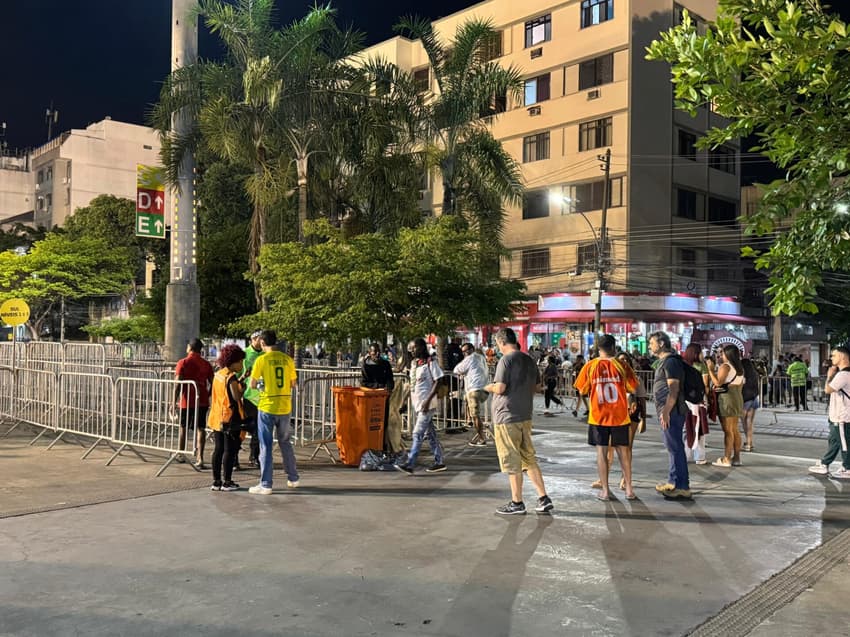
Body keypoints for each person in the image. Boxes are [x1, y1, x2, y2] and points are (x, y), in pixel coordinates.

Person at [484, 327, 554, 515]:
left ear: (500, 342)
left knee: (512, 460)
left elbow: (500, 388)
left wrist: (488, 386)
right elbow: (538, 387)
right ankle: (543, 497)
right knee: (528, 458)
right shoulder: (529, 360)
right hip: (525, 415)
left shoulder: (505, 361)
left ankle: (517, 502)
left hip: (507, 416)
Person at [574, 335, 638, 501]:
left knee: (601, 452)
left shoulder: (589, 366)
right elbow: (632, 386)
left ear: (598, 348)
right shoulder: (622, 365)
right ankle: (629, 489)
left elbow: (582, 390)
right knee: (623, 452)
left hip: (598, 416)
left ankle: (605, 490)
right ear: (614, 347)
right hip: (619, 416)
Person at [248, 330, 299, 495]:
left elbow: (253, 385)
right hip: (284, 406)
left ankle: (266, 484)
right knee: (285, 442)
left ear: (262, 343)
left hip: (267, 406)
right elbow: (293, 383)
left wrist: (262, 384)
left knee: (266, 445)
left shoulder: (261, 360)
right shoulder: (288, 360)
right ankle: (293, 477)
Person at [649, 331, 692, 500]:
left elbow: (673, 390)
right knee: (672, 447)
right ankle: (674, 481)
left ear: (661, 343)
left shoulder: (671, 362)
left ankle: (682, 486)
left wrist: (666, 411)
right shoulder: (665, 362)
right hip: (668, 411)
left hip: (672, 411)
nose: (650, 345)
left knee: (675, 448)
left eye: (651, 342)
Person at [394, 337, 446, 474]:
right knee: (431, 434)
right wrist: (405, 401)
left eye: (413, 348)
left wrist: (428, 401)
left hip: (427, 404)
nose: (411, 351)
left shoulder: (431, 362)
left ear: (421, 347)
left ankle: (410, 463)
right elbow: (412, 385)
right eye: (409, 349)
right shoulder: (414, 363)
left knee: (417, 433)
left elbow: (438, 380)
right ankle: (439, 461)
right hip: (417, 404)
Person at [208, 344, 246, 491]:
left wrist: (242, 379)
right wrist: (244, 388)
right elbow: (236, 396)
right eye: (240, 362)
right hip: (230, 419)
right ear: (233, 361)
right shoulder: (231, 377)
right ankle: (227, 481)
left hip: (218, 416)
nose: (242, 365)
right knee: (229, 450)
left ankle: (216, 481)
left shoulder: (219, 374)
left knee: (218, 449)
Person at [808, 346, 850, 479]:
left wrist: (829, 376)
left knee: (844, 443)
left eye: (834, 355)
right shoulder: (844, 373)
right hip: (836, 416)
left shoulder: (844, 374)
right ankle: (825, 463)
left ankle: (847, 468)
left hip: (842, 416)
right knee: (834, 441)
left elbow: (827, 389)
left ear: (842, 357)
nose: (831, 358)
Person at [174, 338, 214, 469]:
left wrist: (172, 401)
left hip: (186, 400)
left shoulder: (183, 362)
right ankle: (200, 457)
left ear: (190, 347)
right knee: (200, 428)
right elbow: (213, 382)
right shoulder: (206, 364)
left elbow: (177, 384)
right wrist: (208, 395)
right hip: (202, 399)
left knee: (183, 426)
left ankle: (181, 453)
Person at [706, 345, 745, 468]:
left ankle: (726, 458)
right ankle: (737, 458)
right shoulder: (739, 368)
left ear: (727, 354)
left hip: (727, 400)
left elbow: (718, 383)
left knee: (728, 431)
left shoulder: (726, 366)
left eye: (721, 353)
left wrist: (710, 370)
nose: (720, 355)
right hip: (737, 398)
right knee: (734, 430)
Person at [453, 343, 490, 446]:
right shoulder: (481, 357)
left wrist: (463, 372)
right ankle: (477, 432)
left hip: (474, 389)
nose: (465, 353)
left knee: (475, 415)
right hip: (484, 389)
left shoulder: (470, 358)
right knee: (473, 411)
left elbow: (457, 369)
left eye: (467, 351)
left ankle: (482, 438)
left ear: (472, 349)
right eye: (463, 352)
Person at [361, 342, 395, 450]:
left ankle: (382, 445)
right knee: (371, 422)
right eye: (374, 352)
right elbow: (364, 382)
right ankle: (370, 445)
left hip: (383, 396)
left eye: (378, 351)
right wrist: (377, 387)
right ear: (369, 353)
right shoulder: (366, 365)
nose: (377, 354)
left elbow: (390, 378)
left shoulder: (385, 364)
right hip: (371, 396)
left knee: (383, 422)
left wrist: (388, 388)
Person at [237, 330, 263, 468]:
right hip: (248, 397)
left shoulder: (265, 354)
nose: (261, 341)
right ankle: (234, 454)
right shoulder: (245, 354)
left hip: (263, 397)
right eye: (259, 338)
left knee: (259, 429)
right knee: (246, 427)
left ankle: (254, 456)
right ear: (253, 339)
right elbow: (238, 373)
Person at [682, 343, 710, 464]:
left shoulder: (681, 366)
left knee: (686, 429)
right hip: (697, 401)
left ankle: (685, 455)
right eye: (700, 352)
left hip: (685, 401)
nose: (702, 355)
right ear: (695, 353)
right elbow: (705, 385)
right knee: (699, 429)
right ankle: (699, 456)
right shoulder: (701, 366)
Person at [740, 356, 761, 452]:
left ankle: (748, 443)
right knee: (750, 423)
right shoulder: (754, 374)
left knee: (744, 423)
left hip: (745, 400)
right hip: (754, 399)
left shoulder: (742, 374)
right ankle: (749, 443)